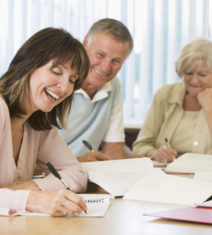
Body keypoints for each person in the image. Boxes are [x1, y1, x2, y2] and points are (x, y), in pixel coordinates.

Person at [0, 27, 90, 216]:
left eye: (73, 80)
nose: (65, 87)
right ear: (27, 64)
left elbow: (76, 174)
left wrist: (29, 187)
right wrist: (31, 198)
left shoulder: (37, 123)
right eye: (56, 71)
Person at [133, 38, 212, 163]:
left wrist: (209, 108)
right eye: (188, 73)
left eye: (202, 74)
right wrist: (156, 153)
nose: (194, 80)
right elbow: (140, 146)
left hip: (209, 175)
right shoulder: (164, 95)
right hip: (166, 173)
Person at [58, 18, 134, 162]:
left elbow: (114, 149)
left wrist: (133, 164)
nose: (105, 67)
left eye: (116, 61)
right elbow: (32, 159)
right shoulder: (58, 82)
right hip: (49, 176)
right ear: (85, 42)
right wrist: (77, 162)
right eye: (100, 55)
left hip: (84, 175)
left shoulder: (114, 85)